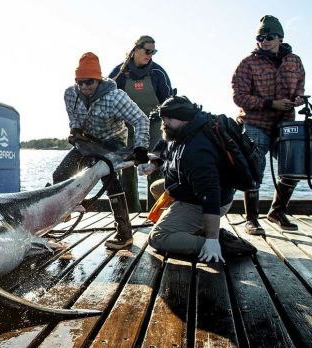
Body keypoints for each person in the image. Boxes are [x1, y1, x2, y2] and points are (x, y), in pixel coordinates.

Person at [52, 52, 150, 250]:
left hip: (112, 141)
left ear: (98, 80)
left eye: (89, 82)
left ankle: (124, 234)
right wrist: (75, 129)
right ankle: (63, 212)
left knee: (108, 177)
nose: (84, 87)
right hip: (86, 140)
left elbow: (141, 120)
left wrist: (141, 147)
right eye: (80, 82)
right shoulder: (70, 94)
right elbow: (73, 118)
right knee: (60, 174)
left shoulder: (115, 97)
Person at [143, 96, 255, 263]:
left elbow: (210, 195)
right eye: (163, 117)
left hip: (208, 201)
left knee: (158, 237)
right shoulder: (185, 129)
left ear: (184, 118)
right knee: (156, 188)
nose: (164, 122)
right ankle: (192, 227)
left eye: (169, 118)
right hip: (189, 189)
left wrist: (211, 240)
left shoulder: (197, 151)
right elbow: (166, 146)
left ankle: (219, 243)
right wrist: (153, 164)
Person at [232, 15, 306, 235]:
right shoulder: (247, 64)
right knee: (254, 169)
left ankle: (277, 211)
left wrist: (299, 98)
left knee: (294, 167)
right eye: (260, 36)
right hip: (255, 123)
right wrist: (271, 103)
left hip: (286, 124)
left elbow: (300, 87)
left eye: (269, 36)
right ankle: (252, 219)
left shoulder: (295, 61)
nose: (264, 40)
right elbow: (239, 97)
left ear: (280, 37)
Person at [110, 35, 173, 212]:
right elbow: (108, 99)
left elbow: (168, 102)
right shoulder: (119, 73)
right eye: (147, 50)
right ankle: (132, 211)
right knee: (128, 168)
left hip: (154, 124)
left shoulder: (158, 73)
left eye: (153, 51)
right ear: (136, 49)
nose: (150, 54)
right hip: (127, 125)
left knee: (155, 165)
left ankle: (156, 212)